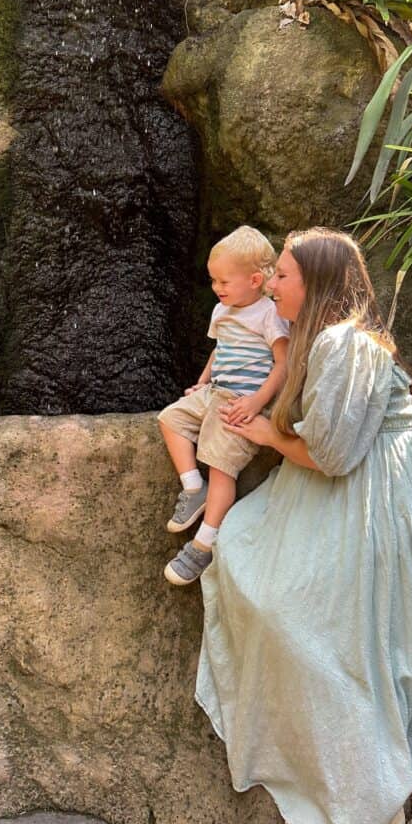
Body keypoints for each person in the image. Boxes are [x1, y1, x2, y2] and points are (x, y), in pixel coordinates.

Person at [195, 227, 412, 824]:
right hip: (351, 480)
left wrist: (263, 431)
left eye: (282, 275)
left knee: (303, 616)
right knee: (247, 554)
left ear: (314, 284)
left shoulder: (347, 344)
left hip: (385, 496)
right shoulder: (324, 341)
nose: (269, 283)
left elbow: (330, 455)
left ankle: (362, 782)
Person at [158, 226, 289, 586]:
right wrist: (201, 382)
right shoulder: (222, 310)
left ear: (255, 280)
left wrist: (259, 401)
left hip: (242, 402)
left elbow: (284, 363)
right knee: (170, 418)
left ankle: (203, 543)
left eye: (224, 281)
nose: (217, 288)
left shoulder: (270, 314)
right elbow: (219, 350)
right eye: (214, 280)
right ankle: (191, 487)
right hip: (215, 390)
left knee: (220, 466)